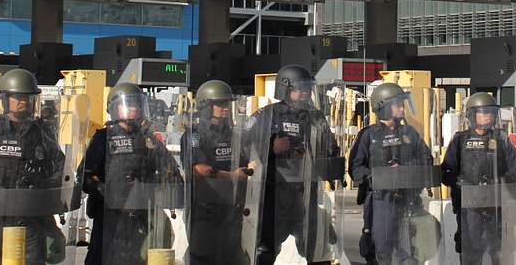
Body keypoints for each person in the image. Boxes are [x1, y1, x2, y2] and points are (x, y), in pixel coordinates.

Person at [0, 68, 67, 265]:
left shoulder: (43, 134)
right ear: (6, 100)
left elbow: (61, 169)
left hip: (31, 218)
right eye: (17, 97)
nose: (23, 102)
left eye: (27, 98)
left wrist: (51, 192)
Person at [248, 64, 341, 265]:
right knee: (264, 250)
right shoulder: (267, 115)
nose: (307, 92)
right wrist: (271, 149)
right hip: (274, 195)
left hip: (305, 194)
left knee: (317, 250)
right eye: (301, 87)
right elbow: (244, 146)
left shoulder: (315, 117)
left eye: (308, 87)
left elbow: (331, 149)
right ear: (286, 89)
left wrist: (322, 159)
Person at [82, 83, 182, 265]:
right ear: (114, 108)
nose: (133, 108)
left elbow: (171, 169)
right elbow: (86, 178)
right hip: (110, 217)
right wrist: (110, 193)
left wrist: (160, 186)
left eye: (136, 104)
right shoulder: (103, 138)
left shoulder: (148, 139)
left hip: (142, 216)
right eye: (128, 104)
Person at [349, 81, 438, 264]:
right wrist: (378, 176)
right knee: (382, 251)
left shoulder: (410, 133)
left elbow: (426, 160)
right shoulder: (369, 136)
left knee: (409, 253)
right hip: (381, 201)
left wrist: (405, 170)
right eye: (397, 104)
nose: (402, 108)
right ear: (384, 107)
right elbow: (355, 168)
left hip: (408, 199)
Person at [441, 91, 516, 265]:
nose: (488, 116)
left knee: (496, 250)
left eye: (491, 112)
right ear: (472, 115)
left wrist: (505, 181)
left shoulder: (501, 140)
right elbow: (446, 172)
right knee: (471, 250)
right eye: (484, 112)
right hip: (469, 208)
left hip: (495, 205)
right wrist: (462, 185)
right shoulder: (460, 140)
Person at [182, 79, 249, 265]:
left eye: (227, 103)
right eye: (220, 104)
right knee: (203, 256)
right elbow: (199, 169)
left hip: (233, 208)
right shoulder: (194, 135)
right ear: (206, 106)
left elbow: (250, 162)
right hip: (205, 209)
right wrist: (232, 176)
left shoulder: (236, 135)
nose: (225, 108)